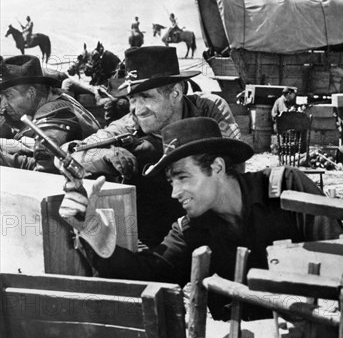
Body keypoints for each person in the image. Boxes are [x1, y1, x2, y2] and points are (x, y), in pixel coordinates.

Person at [59, 116, 343, 321]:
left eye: (183, 177)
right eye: (171, 182)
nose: (174, 193)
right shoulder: (190, 230)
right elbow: (148, 273)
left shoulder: (286, 189)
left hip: (317, 332)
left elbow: (339, 259)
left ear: (217, 167)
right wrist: (94, 230)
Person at [65, 45, 241, 248]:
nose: (137, 110)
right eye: (132, 99)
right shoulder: (128, 124)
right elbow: (72, 154)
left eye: (146, 97)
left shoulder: (209, 108)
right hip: (155, 231)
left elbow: (233, 167)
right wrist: (105, 156)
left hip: (212, 219)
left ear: (175, 93)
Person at [0, 54, 100, 172]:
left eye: (9, 95)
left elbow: (44, 166)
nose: (3, 105)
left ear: (31, 93)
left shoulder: (56, 112)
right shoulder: (54, 99)